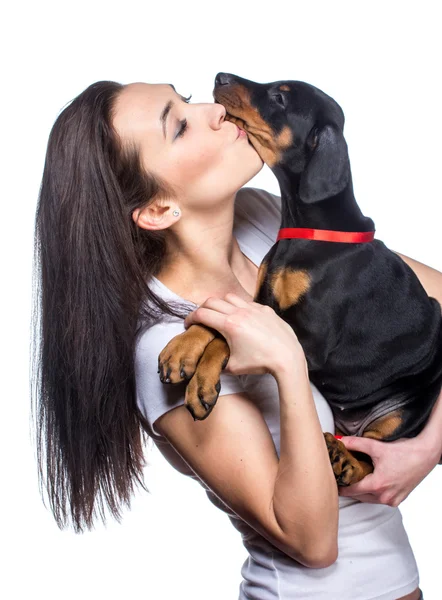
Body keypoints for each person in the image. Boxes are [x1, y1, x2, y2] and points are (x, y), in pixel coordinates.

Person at [32, 79, 442, 600]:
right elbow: (313, 543)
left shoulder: (265, 221)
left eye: (185, 97)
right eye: (178, 125)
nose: (212, 111)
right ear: (158, 209)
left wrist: (428, 446)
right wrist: (287, 363)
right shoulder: (163, 347)